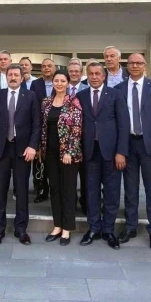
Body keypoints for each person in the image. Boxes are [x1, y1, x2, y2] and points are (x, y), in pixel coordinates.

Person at [114, 53, 151, 251]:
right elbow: (117, 121)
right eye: (131, 63)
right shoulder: (119, 88)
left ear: (145, 66)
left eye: (139, 63)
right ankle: (130, 226)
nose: (135, 66)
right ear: (127, 66)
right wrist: (119, 150)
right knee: (130, 190)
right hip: (128, 145)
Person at [0, 64, 40, 246]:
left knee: (22, 190)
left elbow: (36, 124)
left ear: (22, 77)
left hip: (22, 150)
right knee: (0, 191)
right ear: (6, 77)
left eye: (17, 75)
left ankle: (21, 229)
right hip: (1, 149)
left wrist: (33, 146)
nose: (13, 77)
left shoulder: (30, 96)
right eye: (10, 75)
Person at [77, 62, 129, 250]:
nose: (94, 77)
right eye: (91, 74)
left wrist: (121, 152)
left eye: (97, 73)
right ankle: (93, 228)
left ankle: (108, 230)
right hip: (89, 152)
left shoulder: (115, 94)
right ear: (87, 75)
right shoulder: (80, 96)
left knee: (112, 192)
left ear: (104, 76)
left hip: (112, 152)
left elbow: (124, 124)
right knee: (91, 192)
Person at [41, 70, 83, 246]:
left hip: (68, 155)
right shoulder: (46, 102)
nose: (59, 84)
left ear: (68, 83)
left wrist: (69, 151)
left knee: (68, 190)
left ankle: (67, 228)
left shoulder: (73, 102)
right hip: (50, 153)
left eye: (62, 81)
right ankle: (57, 225)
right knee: (55, 189)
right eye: (56, 80)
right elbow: (43, 127)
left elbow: (77, 129)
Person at [31, 57, 56, 203]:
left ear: (54, 68)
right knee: (38, 160)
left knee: (52, 160)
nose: (46, 68)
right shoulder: (35, 84)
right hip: (38, 125)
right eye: (44, 66)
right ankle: (40, 189)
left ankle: (54, 189)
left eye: (49, 66)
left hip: (54, 126)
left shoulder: (59, 81)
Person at [67, 58, 88, 214]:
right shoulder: (60, 88)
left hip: (85, 138)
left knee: (86, 175)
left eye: (76, 71)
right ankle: (70, 204)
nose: (74, 74)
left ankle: (86, 203)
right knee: (69, 176)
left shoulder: (88, 89)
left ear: (81, 73)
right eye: (71, 71)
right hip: (66, 140)